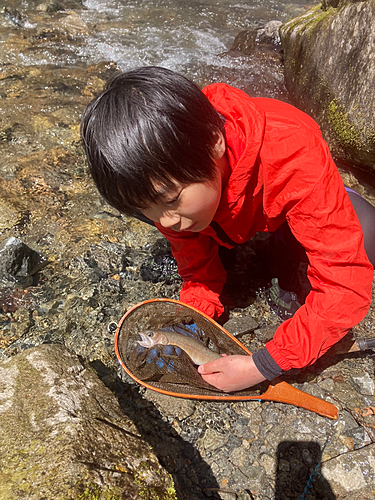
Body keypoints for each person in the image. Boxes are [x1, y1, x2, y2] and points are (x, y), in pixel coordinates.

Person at [81, 66, 374, 392]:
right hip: (223, 211)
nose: (164, 222)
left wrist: (262, 364)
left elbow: (342, 285)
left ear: (215, 143)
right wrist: (196, 313)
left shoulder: (292, 153)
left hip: (283, 202)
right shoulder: (169, 180)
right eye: (146, 209)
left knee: (368, 236)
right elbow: (194, 263)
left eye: (170, 199)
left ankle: (325, 210)